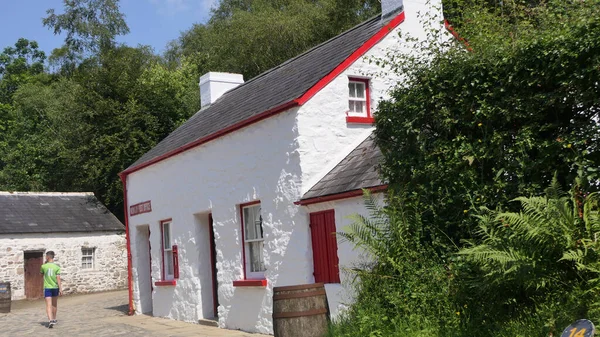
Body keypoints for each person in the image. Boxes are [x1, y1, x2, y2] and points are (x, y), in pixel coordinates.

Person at [40, 251, 62, 328]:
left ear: (48, 257)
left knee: (48, 305)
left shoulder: (43, 266)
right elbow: (58, 279)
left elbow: (41, 275)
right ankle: (54, 318)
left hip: (47, 287)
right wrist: (60, 289)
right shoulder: (57, 267)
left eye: (46, 256)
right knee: (54, 304)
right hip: (55, 287)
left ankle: (50, 320)